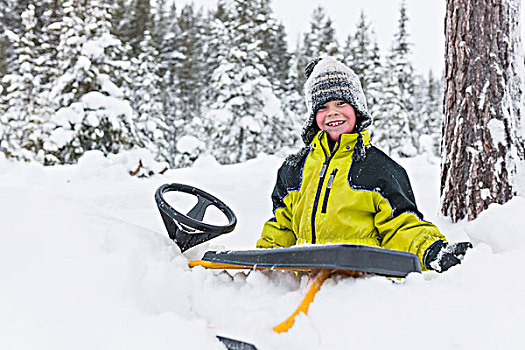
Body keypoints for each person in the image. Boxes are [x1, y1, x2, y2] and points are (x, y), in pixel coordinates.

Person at [256, 57, 471, 272]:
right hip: (304, 281)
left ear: (357, 109)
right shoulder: (294, 169)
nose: (332, 112)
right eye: (323, 107)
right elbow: (282, 225)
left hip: (359, 283)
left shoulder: (378, 169)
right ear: (313, 116)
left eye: (341, 103)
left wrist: (432, 250)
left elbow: (400, 225)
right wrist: (261, 262)